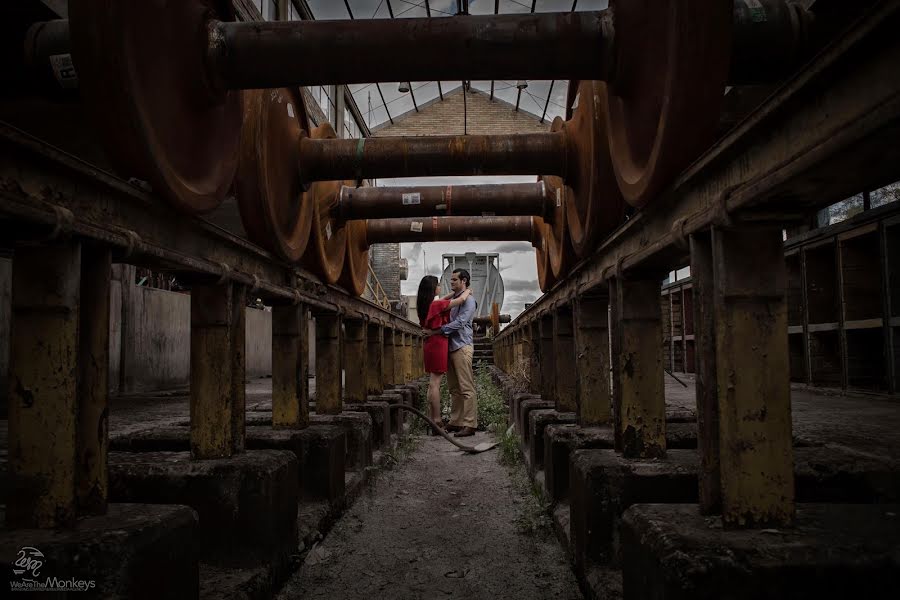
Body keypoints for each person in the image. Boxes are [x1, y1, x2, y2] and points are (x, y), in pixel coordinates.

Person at [416, 276, 471, 432]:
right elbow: (459, 301)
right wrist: (467, 291)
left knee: (432, 382)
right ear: (433, 288)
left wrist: (453, 294)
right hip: (438, 344)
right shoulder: (437, 305)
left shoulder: (427, 304)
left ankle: (433, 418)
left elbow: (445, 299)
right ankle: (437, 421)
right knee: (435, 383)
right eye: (438, 284)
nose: (440, 286)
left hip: (430, 344)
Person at [438, 269, 478, 437]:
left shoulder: (468, 300)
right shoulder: (454, 298)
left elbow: (461, 322)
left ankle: (470, 424)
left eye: (455, 280)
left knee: (466, 387)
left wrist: (439, 331)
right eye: (451, 279)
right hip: (451, 346)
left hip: (462, 346)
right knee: (454, 388)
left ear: (464, 281)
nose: (451, 282)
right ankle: (456, 421)